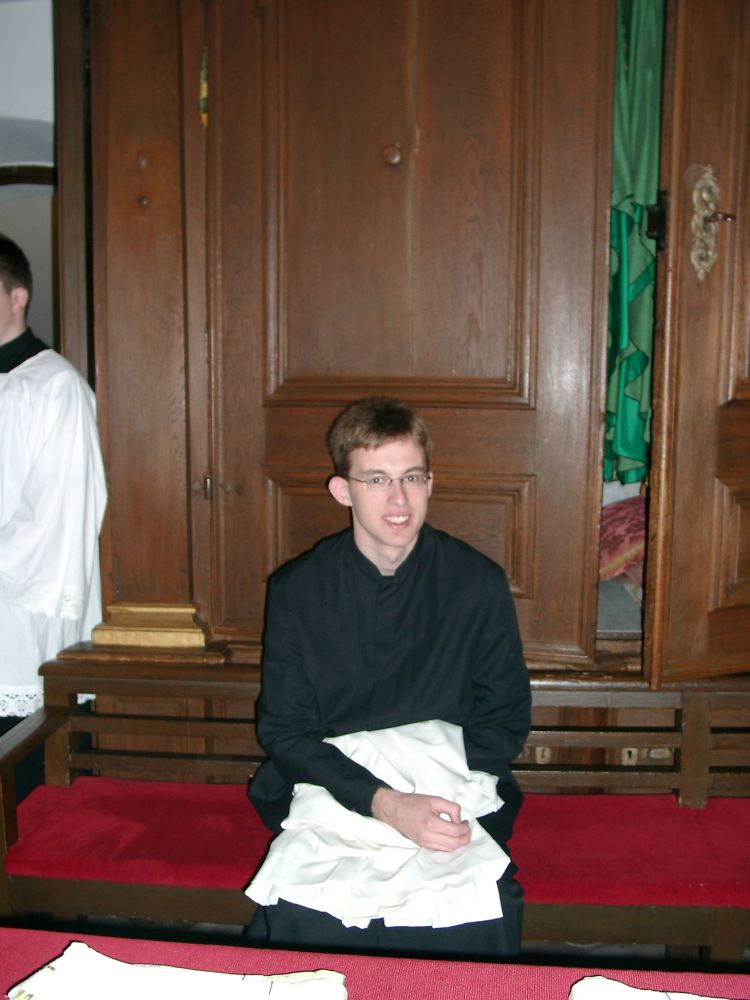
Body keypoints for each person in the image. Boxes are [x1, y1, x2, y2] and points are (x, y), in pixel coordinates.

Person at [247, 396, 531, 957]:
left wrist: (424, 784)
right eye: (376, 479)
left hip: (450, 787)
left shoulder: (477, 583)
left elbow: (505, 722)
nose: (398, 499)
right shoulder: (298, 590)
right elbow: (285, 731)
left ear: (430, 483)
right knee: (309, 919)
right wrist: (385, 801)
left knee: (473, 914)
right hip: (332, 792)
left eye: (411, 478)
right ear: (343, 490)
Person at [0, 234, 107, 799]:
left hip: (23, 614)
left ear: (18, 296)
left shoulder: (56, 387)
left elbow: (62, 514)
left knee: (24, 778)